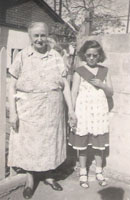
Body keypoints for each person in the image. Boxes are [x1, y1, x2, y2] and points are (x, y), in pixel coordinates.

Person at [8, 22, 77, 199]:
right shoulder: (22, 56)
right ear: (30, 37)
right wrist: (14, 113)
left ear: (48, 36)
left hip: (53, 109)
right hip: (29, 110)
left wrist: (71, 110)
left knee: (49, 144)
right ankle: (30, 180)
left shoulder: (55, 56)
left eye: (43, 35)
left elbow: (65, 87)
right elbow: (11, 85)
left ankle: (48, 175)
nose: (40, 39)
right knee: (30, 145)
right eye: (36, 36)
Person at [69, 40, 113, 189]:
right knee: (82, 144)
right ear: (84, 55)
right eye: (89, 55)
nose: (92, 58)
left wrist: (102, 85)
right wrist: (72, 112)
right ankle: (82, 171)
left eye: (95, 55)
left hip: (99, 112)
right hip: (83, 111)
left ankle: (99, 171)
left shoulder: (105, 71)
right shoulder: (79, 71)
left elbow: (110, 92)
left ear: (99, 55)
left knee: (98, 144)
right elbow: (74, 92)